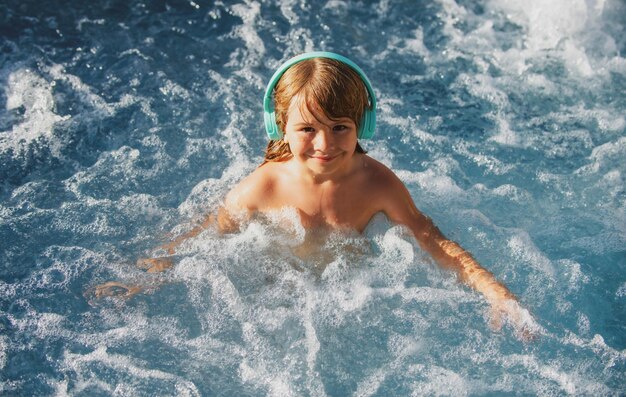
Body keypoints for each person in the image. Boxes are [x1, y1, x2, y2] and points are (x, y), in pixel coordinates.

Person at [95, 52, 536, 339]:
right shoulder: (265, 185)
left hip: (354, 292)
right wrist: (149, 273)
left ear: (362, 126)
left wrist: (494, 291)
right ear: (279, 127)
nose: (325, 145)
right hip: (278, 295)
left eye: (340, 127)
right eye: (307, 129)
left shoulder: (377, 183)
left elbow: (429, 237)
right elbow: (211, 231)